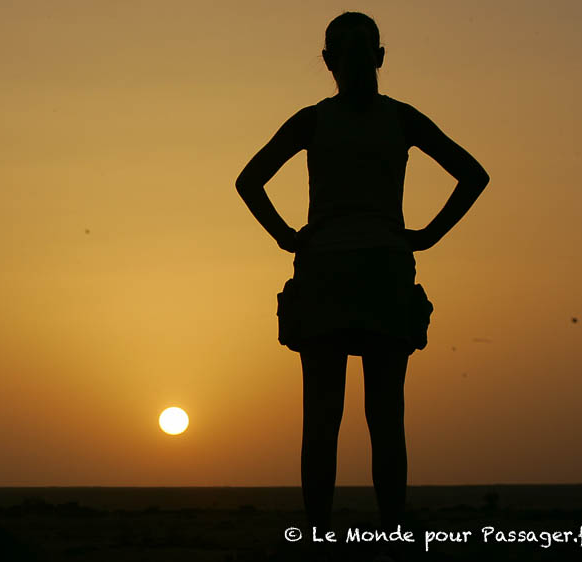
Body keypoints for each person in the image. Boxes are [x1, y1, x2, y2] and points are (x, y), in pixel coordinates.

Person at [235, 10, 490, 550]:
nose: (353, 61)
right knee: (331, 415)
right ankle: (323, 533)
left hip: (377, 272)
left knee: (377, 414)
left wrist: (428, 234)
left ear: (379, 56)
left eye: (362, 50)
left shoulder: (399, 119)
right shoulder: (316, 120)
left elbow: (473, 174)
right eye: (344, 51)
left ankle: (381, 530)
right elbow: (249, 180)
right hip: (335, 272)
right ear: (329, 61)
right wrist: (288, 237)